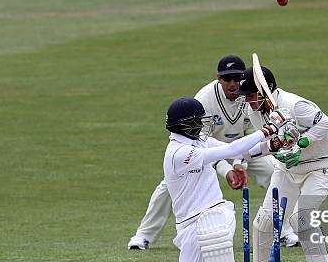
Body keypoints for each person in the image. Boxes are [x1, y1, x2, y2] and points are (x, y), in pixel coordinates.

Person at [128, 55, 299, 250]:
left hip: (244, 147)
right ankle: (143, 235)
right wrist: (228, 171)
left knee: (275, 173)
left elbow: (251, 132)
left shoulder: (250, 96)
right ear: (218, 78)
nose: (233, 83)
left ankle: (285, 231)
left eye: (237, 78)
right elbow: (202, 143)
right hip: (208, 148)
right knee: (168, 185)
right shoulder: (205, 99)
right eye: (227, 79)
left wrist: (238, 164)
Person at [164, 97, 285, 262]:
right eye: (198, 121)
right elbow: (231, 149)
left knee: (216, 235)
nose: (202, 124)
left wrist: (273, 144)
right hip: (188, 224)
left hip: (214, 211)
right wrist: (268, 129)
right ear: (184, 125)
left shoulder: (200, 142)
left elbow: (242, 151)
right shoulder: (178, 152)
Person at [233, 64, 328, 262]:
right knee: (265, 221)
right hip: (287, 169)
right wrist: (240, 157)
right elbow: (270, 145)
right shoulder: (254, 112)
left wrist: (303, 142)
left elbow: (325, 123)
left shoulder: (295, 105)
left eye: (251, 95)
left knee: (301, 218)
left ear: (265, 91)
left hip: (320, 165)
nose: (247, 100)